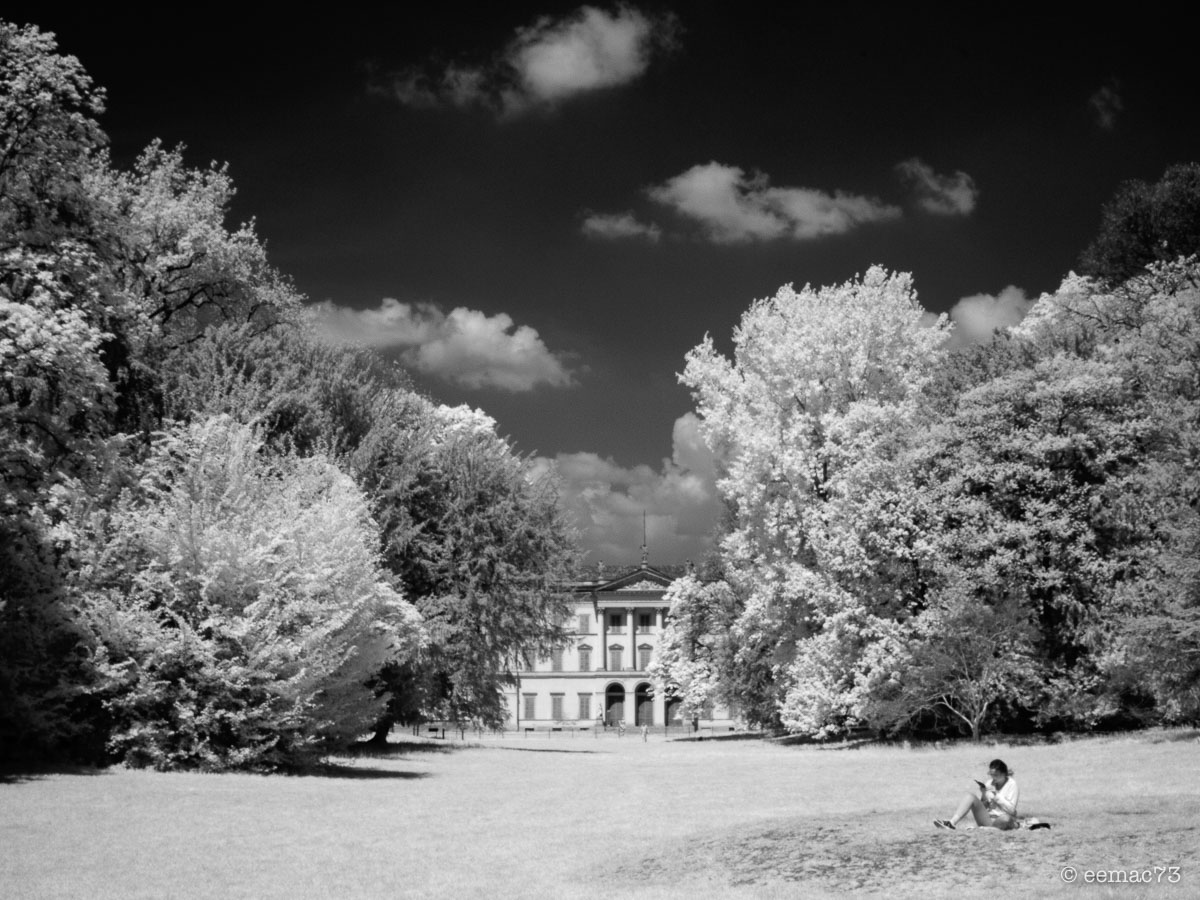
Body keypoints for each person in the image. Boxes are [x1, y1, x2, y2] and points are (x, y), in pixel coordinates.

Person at [934, 759, 1019, 830]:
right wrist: (984, 795)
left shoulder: (1012, 784)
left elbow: (1012, 810)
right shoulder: (989, 783)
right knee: (970, 796)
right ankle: (951, 823)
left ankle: (988, 830)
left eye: (996, 775)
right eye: (991, 775)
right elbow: (984, 807)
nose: (993, 778)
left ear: (1004, 774)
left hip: (1002, 819)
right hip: (988, 819)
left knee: (1006, 819)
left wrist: (996, 796)